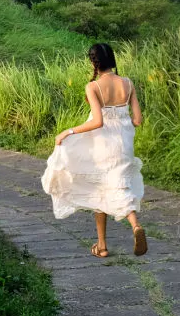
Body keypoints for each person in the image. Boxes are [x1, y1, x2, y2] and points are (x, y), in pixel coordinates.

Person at [42, 43, 147, 259]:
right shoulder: (127, 83)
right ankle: (114, 238)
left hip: (103, 144)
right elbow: (137, 120)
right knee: (113, 185)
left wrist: (68, 131)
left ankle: (119, 235)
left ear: (93, 62)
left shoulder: (94, 87)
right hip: (125, 143)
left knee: (104, 185)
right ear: (113, 60)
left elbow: (98, 122)